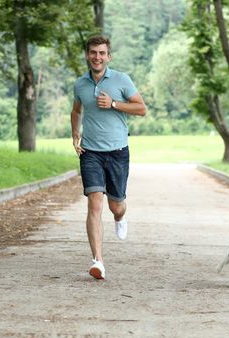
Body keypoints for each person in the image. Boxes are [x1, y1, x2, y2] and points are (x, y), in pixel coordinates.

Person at [71, 35, 146, 280]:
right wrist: (75, 135)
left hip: (117, 152)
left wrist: (114, 103)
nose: (97, 57)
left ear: (108, 56)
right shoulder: (80, 84)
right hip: (90, 152)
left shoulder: (121, 80)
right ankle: (98, 261)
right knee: (94, 203)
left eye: (102, 53)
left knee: (116, 204)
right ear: (87, 55)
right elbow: (76, 110)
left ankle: (120, 216)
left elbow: (141, 109)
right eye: (93, 52)